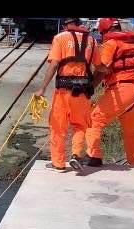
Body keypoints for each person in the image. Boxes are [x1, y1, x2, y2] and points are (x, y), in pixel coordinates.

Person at [34, 17, 100, 172]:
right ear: (78, 23)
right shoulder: (91, 40)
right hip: (83, 91)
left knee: (58, 126)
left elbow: (55, 64)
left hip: (64, 91)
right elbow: (101, 68)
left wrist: (42, 88)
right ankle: (76, 155)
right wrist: (93, 85)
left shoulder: (60, 37)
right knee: (80, 125)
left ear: (67, 25)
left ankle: (58, 163)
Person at [84, 18, 134, 167]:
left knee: (93, 119)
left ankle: (94, 156)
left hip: (121, 89)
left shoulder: (111, 43)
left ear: (105, 31)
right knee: (131, 129)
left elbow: (101, 70)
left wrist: (90, 89)